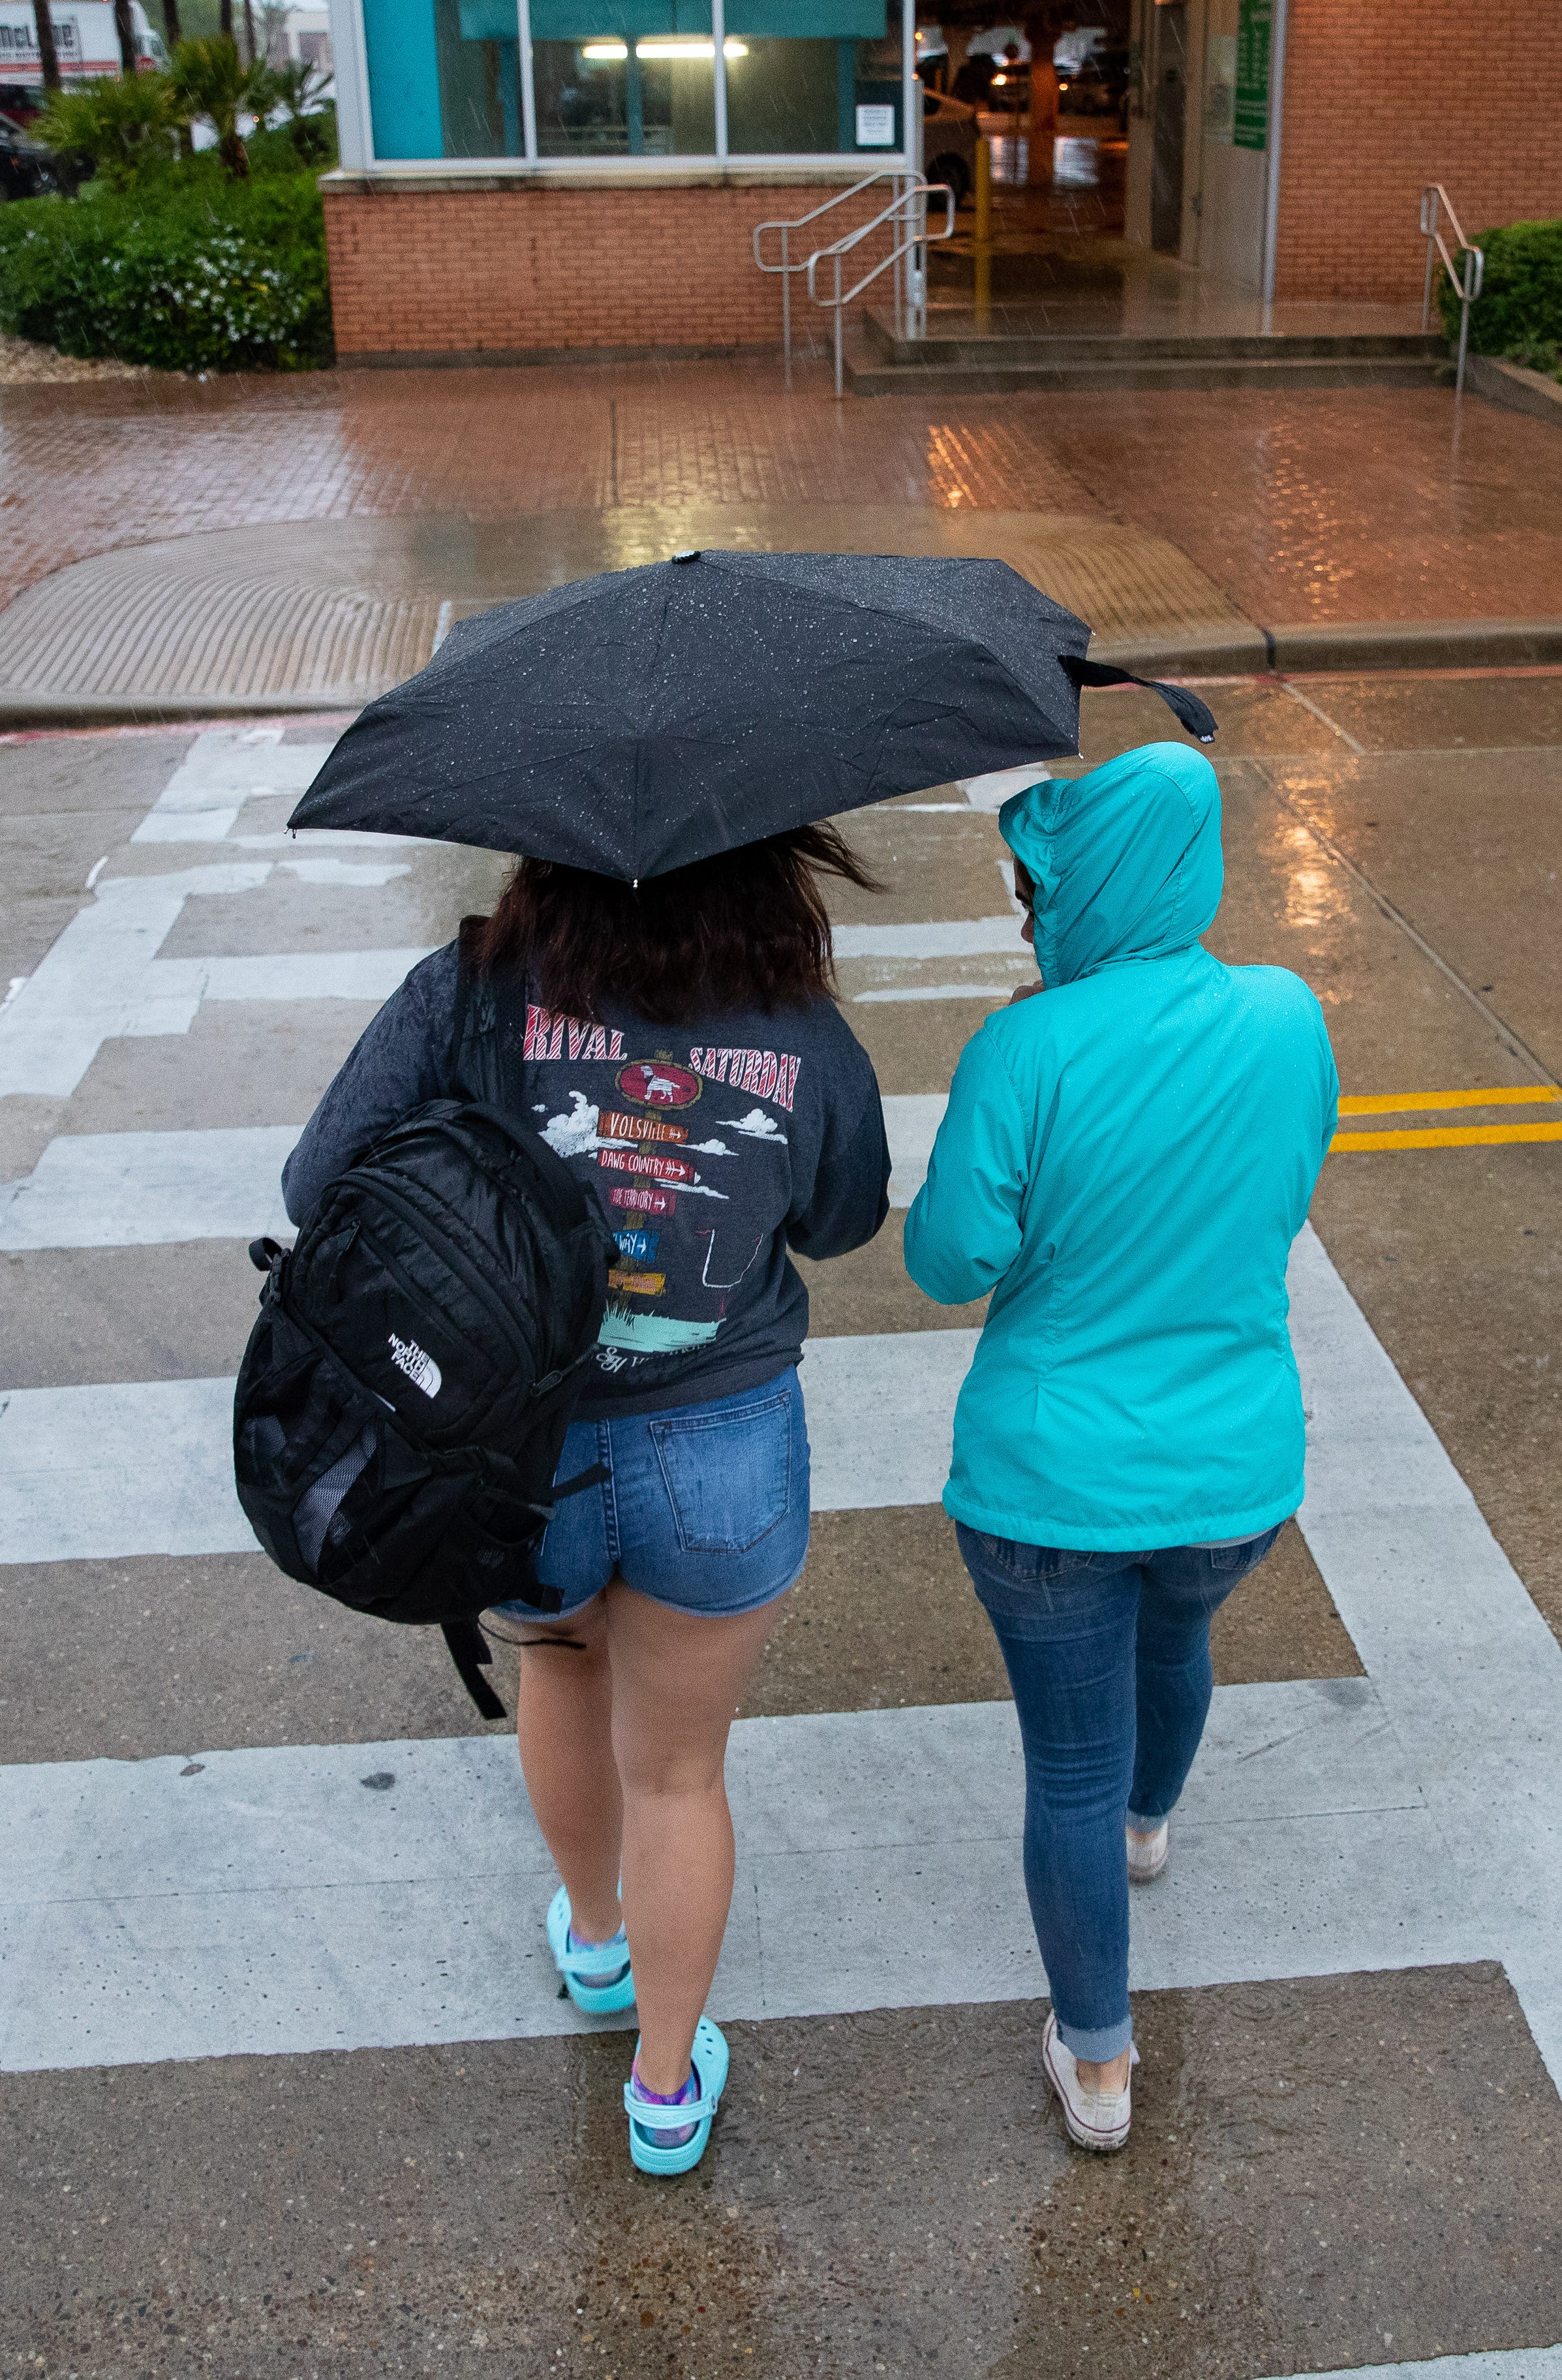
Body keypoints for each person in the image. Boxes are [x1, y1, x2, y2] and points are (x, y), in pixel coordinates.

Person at [283, 830, 892, 2175]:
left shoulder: (470, 993)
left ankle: (597, 1939)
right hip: (723, 1443)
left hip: (517, 1442)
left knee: (558, 1670)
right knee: (681, 1769)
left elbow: (315, 1185)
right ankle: (666, 2091)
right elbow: (846, 1218)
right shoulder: (795, 1025)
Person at [904, 741, 1337, 2154]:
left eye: (1039, 882)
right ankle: (1155, 1824)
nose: (1027, 910)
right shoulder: (1288, 1018)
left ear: (1091, 881)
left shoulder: (1025, 1047)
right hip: (1236, 1476)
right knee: (1178, 1639)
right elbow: (1274, 1191)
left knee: (1062, 1771)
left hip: (1050, 1489)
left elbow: (952, 1259)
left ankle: (1098, 2062)